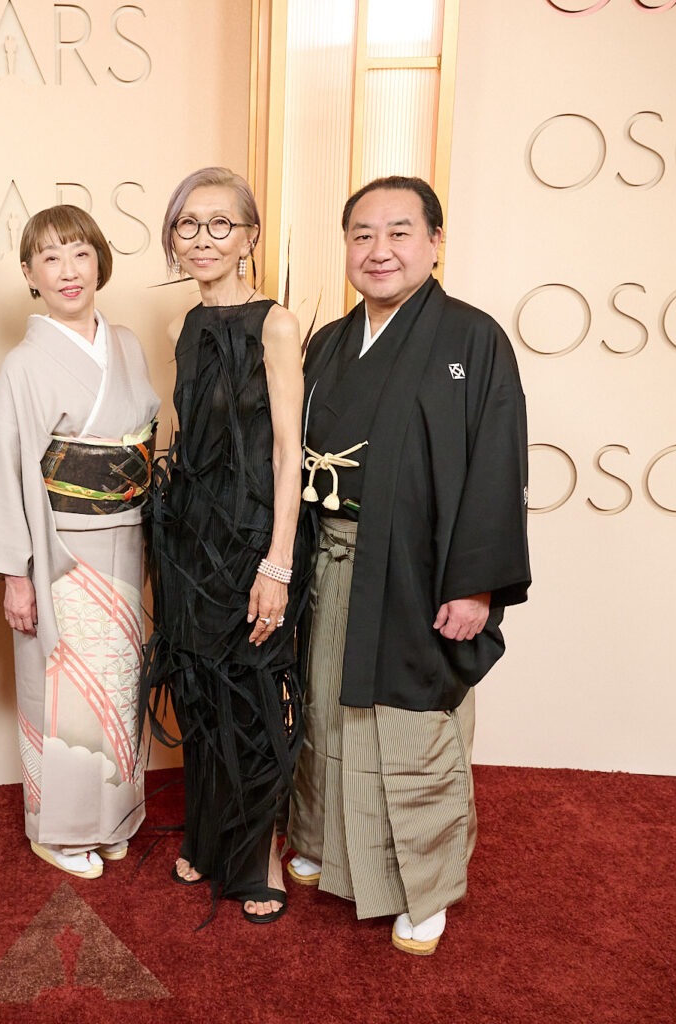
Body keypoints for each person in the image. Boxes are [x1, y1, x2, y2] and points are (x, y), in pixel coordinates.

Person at [286, 176, 530, 955]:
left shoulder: (472, 338)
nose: (379, 250)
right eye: (362, 234)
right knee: (326, 707)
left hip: (420, 572)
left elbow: (496, 464)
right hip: (331, 560)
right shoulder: (327, 340)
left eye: (398, 232)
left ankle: (422, 889)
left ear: (434, 240)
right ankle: (326, 844)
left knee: (410, 725)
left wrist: (475, 584)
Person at [0, 205, 160, 880]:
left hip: (126, 541)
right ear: (29, 274)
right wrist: (16, 574)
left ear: (99, 259)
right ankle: (60, 829)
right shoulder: (24, 363)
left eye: (79, 253)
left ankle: (115, 816)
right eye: (50, 257)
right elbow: (5, 467)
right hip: (59, 549)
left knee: (120, 684)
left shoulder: (125, 343)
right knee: (64, 690)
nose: (68, 271)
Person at [145, 168, 306, 923]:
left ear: (249, 237)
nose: (203, 238)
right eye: (188, 224)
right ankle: (211, 840)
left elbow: (286, 452)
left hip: (249, 541)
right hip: (188, 541)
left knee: (251, 696)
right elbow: (182, 439)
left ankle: (258, 854)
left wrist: (277, 562)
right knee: (203, 693)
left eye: (220, 224)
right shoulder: (185, 325)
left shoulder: (275, 323)